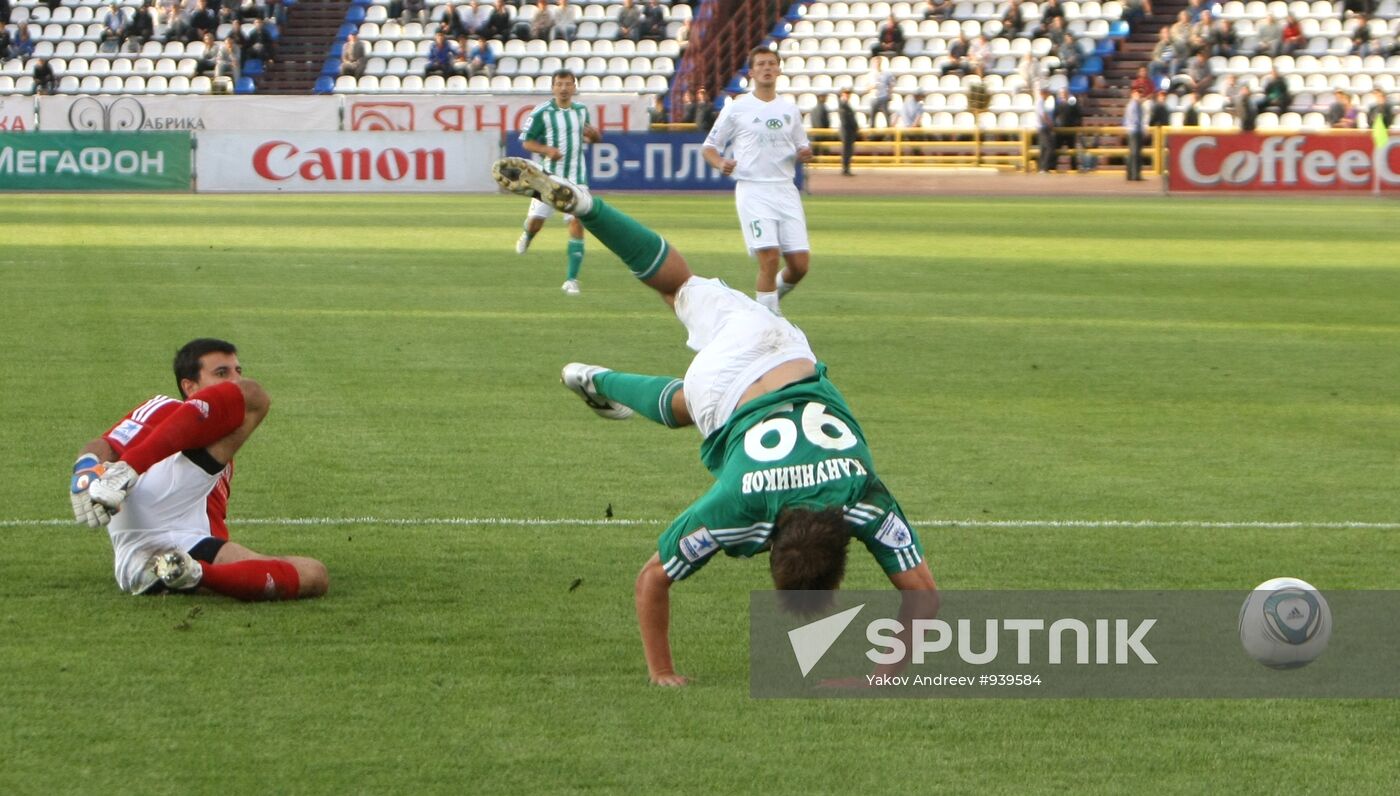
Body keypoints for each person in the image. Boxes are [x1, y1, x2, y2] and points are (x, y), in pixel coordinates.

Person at [488, 159, 939, 686]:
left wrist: (664, 673)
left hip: (774, 346)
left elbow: (924, 596)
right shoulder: (742, 506)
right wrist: (662, 673)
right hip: (718, 391)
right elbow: (653, 579)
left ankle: (588, 207)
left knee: (678, 285)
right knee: (691, 406)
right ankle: (595, 378)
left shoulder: (858, 492)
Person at [70, 338, 328, 601]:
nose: (234, 380)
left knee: (314, 575)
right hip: (151, 509)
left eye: (238, 371)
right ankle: (128, 470)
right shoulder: (168, 409)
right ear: (189, 386)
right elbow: (107, 444)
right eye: (221, 373)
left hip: (186, 542)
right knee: (254, 395)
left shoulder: (222, 443)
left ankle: (187, 572)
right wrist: (86, 469)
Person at [703, 47, 814, 316]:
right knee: (770, 259)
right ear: (751, 72)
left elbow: (802, 146)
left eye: (771, 64)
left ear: (778, 70)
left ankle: (761, 308)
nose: (767, 68)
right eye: (761, 64)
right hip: (754, 190)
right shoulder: (737, 108)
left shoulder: (789, 110)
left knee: (800, 265)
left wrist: (805, 153)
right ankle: (769, 324)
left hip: (785, 190)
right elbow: (709, 147)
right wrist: (721, 163)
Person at [514, 69, 600, 296]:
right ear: (553, 87)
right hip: (548, 178)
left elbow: (591, 138)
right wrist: (546, 150)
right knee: (535, 222)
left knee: (576, 224)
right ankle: (528, 235)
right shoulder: (542, 112)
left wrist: (595, 135)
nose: (563, 88)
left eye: (568, 84)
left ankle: (571, 279)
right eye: (559, 84)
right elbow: (527, 143)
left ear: (574, 87)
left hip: (577, 178)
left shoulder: (581, 111)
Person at [1053, 87, 1081, 171]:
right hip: (1060, 130)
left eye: (1064, 93)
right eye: (1061, 93)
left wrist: (1077, 124)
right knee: (1057, 149)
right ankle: (1053, 167)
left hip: (1070, 130)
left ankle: (1074, 168)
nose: (1063, 94)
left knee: (1072, 150)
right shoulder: (1057, 104)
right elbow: (1055, 115)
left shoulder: (1073, 103)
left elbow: (1078, 114)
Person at [1123, 87, 1145, 181]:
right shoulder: (1133, 105)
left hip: (1135, 130)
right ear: (1132, 94)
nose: (1139, 95)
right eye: (1137, 93)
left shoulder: (1138, 105)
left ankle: (1132, 174)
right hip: (1134, 131)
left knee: (1135, 153)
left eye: (1140, 93)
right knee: (1135, 153)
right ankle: (1134, 175)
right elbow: (1134, 120)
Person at [866, 54, 894, 128]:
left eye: (879, 62)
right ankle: (872, 137)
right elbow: (867, 87)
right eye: (876, 62)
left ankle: (889, 135)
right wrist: (872, 86)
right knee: (872, 117)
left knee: (887, 117)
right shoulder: (870, 74)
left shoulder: (887, 73)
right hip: (873, 98)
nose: (877, 64)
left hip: (883, 97)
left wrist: (890, 94)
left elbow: (891, 84)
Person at [837, 87, 858, 176]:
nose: (847, 95)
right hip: (846, 131)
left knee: (849, 151)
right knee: (846, 151)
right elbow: (845, 120)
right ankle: (845, 168)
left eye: (848, 93)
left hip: (850, 131)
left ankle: (847, 168)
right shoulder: (843, 105)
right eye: (846, 93)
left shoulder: (846, 105)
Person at [1036, 88, 1056, 172]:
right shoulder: (1040, 102)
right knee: (1049, 147)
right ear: (1043, 93)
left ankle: (1041, 167)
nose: (1048, 95)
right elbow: (1043, 115)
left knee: (1043, 148)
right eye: (1047, 94)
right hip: (1043, 128)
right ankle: (1044, 167)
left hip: (1042, 128)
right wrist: (1050, 123)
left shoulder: (1043, 102)